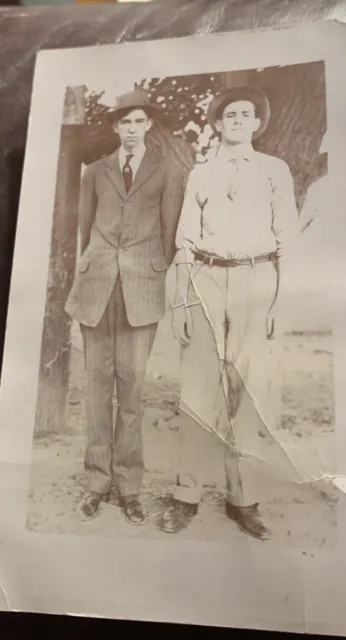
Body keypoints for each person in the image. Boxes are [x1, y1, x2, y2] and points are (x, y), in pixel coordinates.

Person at [160, 85, 298, 540]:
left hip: (256, 281)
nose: (238, 119)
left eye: (247, 113)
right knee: (199, 390)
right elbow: (185, 241)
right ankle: (186, 496)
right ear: (218, 123)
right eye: (229, 114)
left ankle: (244, 500)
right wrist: (181, 301)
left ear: (258, 122)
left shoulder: (275, 171)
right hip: (206, 279)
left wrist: (280, 302)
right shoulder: (201, 174)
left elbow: (288, 241)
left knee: (248, 392)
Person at [65, 90, 185, 524]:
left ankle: (129, 487)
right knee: (97, 390)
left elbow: (170, 233)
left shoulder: (168, 169)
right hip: (96, 288)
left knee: (131, 390)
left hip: (141, 289)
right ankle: (97, 484)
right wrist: (93, 269)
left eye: (139, 121)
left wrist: (147, 272)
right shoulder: (94, 172)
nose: (132, 129)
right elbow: (85, 233)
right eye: (125, 123)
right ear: (115, 127)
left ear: (148, 124)